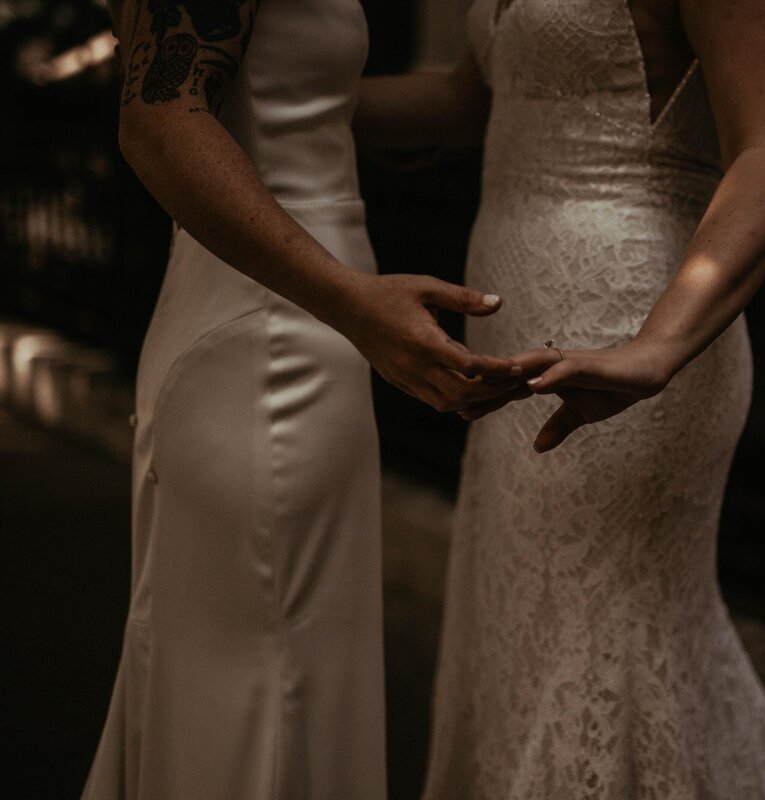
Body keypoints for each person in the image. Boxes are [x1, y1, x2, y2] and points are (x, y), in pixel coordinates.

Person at [356, 0, 765, 795]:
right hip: (519, 320)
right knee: (526, 646)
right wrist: (270, 85)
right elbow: (466, 99)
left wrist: (660, 345)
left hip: (627, 326)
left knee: (597, 647)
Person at [85, 1, 528, 797]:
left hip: (288, 309)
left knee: (278, 668)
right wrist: (355, 304)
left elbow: (307, 98)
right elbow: (157, 120)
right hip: (276, 330)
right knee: (268, 678)